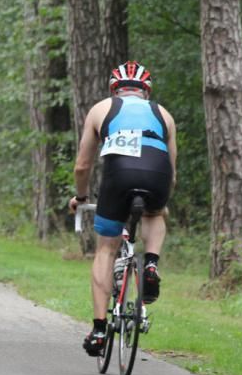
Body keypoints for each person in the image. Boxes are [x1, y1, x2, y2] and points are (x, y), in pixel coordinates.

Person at [68, 61, 177, 356]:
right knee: (156, 213)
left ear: (114, 88)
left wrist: (80, 196)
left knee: (106, 249)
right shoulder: (163, 114)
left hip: (120, 174)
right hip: (157, 173)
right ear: (146, 91)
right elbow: (173, 170)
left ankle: (100, 329)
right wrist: (161, 201)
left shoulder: (102, 108)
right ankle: (151, 263)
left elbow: (82, 165)